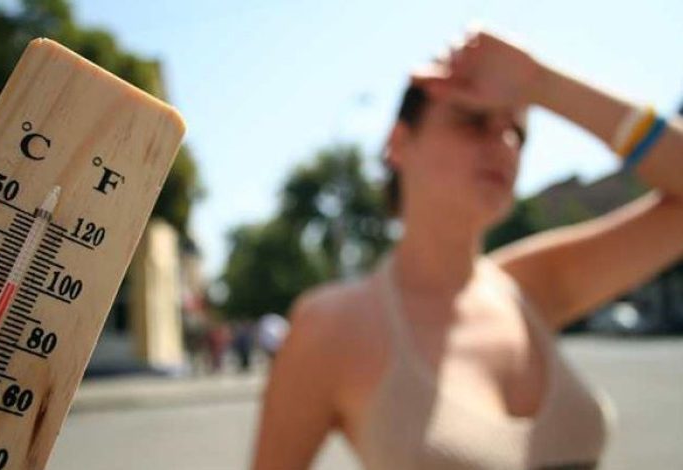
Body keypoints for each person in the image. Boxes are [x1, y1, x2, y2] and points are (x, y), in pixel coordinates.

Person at [252, 29, 683, 470]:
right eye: (474, 120)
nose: (504, 144)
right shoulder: (332, 326)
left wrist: (544, 85)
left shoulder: (530, 288)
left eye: (517, 131)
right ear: (399, 143)